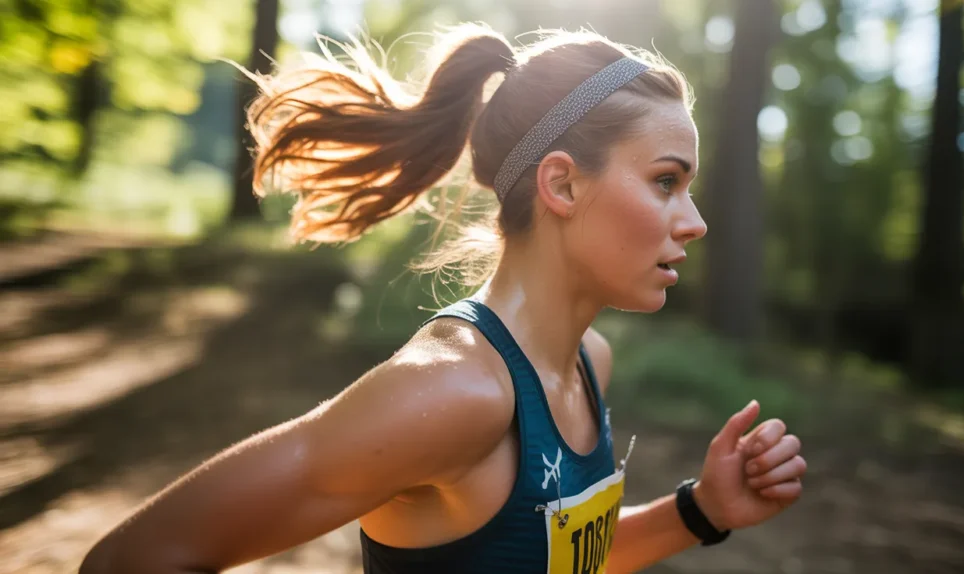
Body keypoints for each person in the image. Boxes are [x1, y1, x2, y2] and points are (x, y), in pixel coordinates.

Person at [79, 22, 806, 574]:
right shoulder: (455, 394)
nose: (696, 220)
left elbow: (542, 554)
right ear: (562, 185)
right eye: (665, 181)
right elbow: (136, 557)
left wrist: (700, 511)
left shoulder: (589, 361)